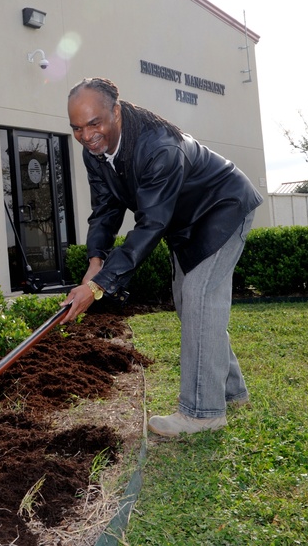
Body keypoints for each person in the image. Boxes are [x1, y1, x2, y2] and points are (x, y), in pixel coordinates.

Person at [61, 77, 263, 437]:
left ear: (116, 112)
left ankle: (203, 413)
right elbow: (105, 209)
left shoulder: (159, 146)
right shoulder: (95, 153)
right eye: (77, 128)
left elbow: (150, 224)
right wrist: (95, 260)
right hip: (184, 222)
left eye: (94, 123)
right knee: (192, 306)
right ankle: (232, 392)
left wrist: (99, 287)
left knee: (200, 298)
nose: (86, 135)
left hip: (222, 208)